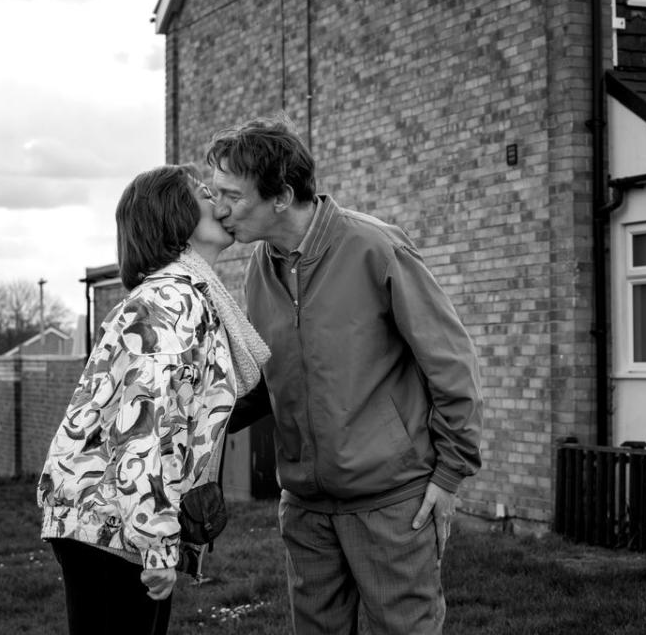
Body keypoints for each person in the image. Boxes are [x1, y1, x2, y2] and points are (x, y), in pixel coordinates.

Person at [207, 117, 484, 635]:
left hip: (391, 503)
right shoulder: (260, 268)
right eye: (214, 192)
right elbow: (268, 377)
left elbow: (451, 362)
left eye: (231, 195)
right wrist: (192, 421)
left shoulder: (375, 248)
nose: (218, 208)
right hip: (307, 509)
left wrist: (449, 476)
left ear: (282, 196)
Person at [37, 164, 270, 635]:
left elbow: (189, 415)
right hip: (113, 523)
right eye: (205, 193)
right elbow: (144, 430)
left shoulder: (183, 294)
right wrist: (158, 546)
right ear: (175, 215)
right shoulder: (169, 303)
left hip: (108, 517)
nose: (218, 202)